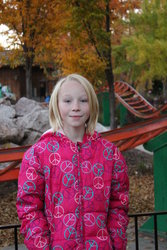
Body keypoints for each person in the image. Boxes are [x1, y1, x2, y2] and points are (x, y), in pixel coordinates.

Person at [16, 73, 129, 250]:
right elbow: (29, 208)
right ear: (56, 105)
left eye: (83, 100)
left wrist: (116, 244)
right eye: (67, 101)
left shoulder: (110, 154)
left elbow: (119, 205)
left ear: (92, 104)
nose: (75, 107)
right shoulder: (38, 155)